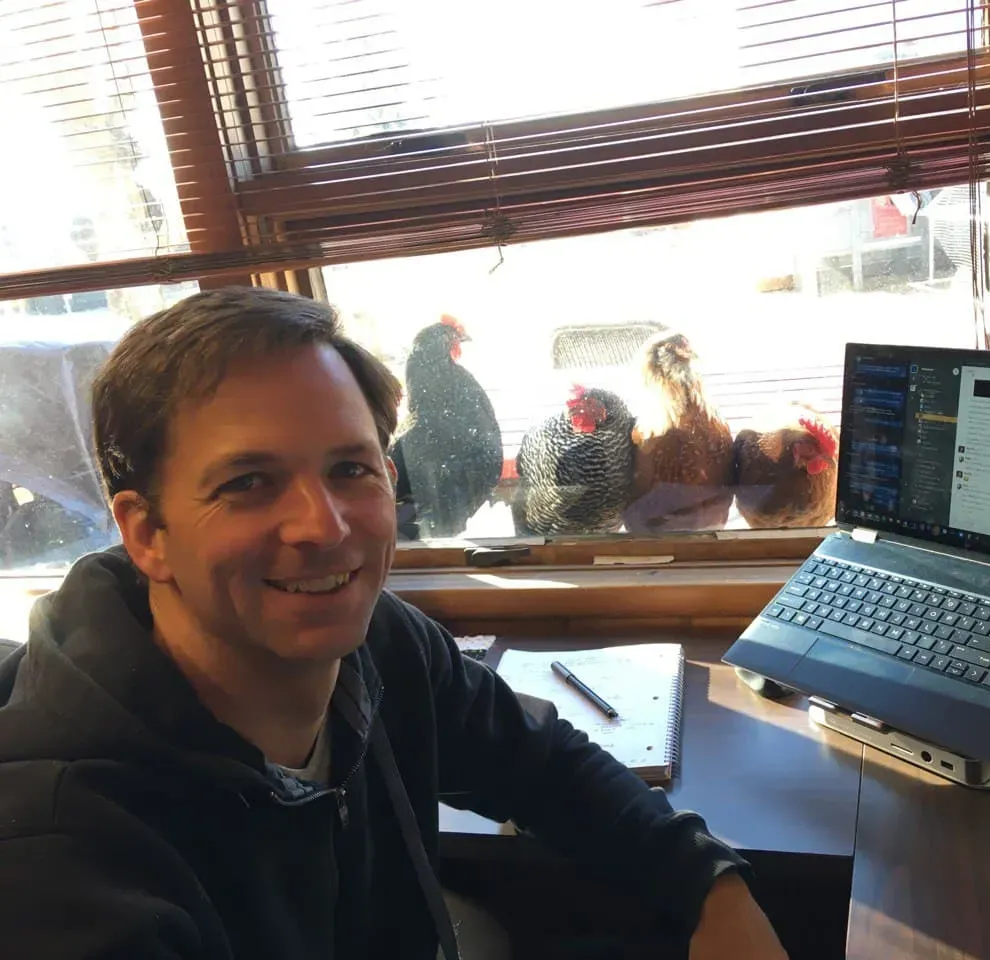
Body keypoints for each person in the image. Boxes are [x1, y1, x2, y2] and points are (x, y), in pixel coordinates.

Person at [0, 287, 789, 960]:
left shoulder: (381, 640)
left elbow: (540, 763)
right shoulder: (63, 854)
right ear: (145, 533)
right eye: (248, 482)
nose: (323, 526)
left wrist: (708, 883)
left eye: (350, 468)